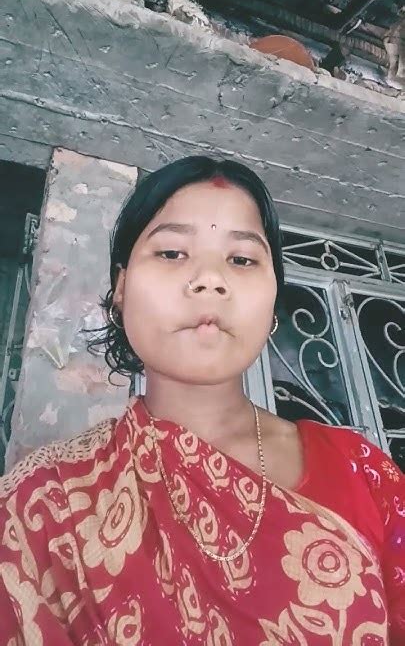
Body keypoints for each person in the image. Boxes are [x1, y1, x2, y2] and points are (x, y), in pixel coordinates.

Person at [0, 155, 404, 646]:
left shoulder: (365, 474)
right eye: (172, 253)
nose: (210, 279)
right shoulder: (42, 504)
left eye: (242, 259)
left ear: (273, 298)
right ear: (121, 289)